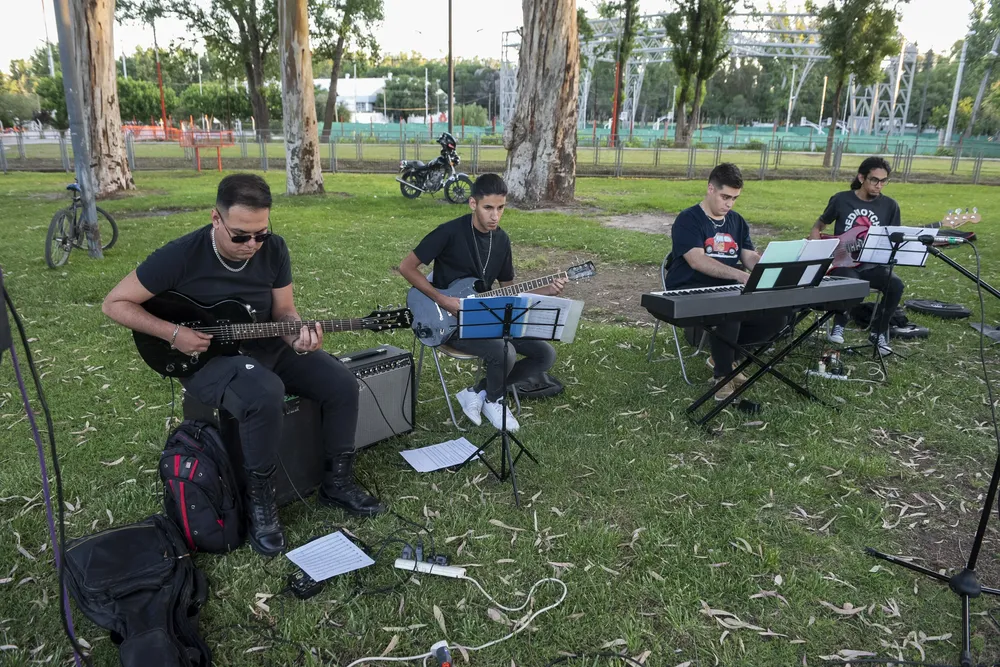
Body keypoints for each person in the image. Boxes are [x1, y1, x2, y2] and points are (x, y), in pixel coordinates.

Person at [102, 174, 384, 558]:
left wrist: (297, 336)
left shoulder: (274, 250)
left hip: (266, 346)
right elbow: (115, 304)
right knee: (263, 392)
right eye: (240, 236)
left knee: (340, 382)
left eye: (260, 235)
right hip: (204, 359)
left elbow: (284, 313)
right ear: (215, 219)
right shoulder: (181, 255)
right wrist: (172, 333)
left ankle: (338, 482)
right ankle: (261, 506)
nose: (252, 245)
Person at [399, 173, 565, 432]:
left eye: (501, 208)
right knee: (504, 351)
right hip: (448, 321)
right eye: (488, 208)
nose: (495, 216)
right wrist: (443, 299)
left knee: (545, 354)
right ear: (473, 204)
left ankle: (479, 392)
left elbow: (508, 292)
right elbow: (406, 267)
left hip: (486, 317)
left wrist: (546, 290)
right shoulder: (449, 232)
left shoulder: (502, 240)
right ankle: (495, 400)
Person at [663, 163, 785, 400]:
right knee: (730, 308)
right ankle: (722, 375)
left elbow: (747, 255)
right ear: (710, 189)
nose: (729, 204)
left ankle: (727, 358)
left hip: (727, 288)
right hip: (688, 286)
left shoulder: (737, 221)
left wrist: (770, 268)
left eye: (735, 198)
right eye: (725, 196)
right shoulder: (688, 219)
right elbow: (697, 260)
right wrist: (738, 275)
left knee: (779, 315)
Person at [809, 156, 903, 355]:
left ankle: (878, 332)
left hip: (872, 265)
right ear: (861, 178)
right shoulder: (842, 199)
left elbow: (893, 239)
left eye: (884, 181)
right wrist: (817, 248)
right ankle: (839, 322)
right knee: (852, 284)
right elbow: (819, 225)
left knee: (896, 285)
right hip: (842, 262)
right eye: (874, 180)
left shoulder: (890, 206)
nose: (879, 185)